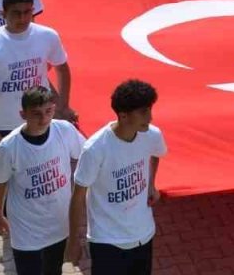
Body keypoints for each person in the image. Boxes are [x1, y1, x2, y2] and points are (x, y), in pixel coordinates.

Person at [68, 80, 166, 272]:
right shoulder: (95, 149)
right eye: (144, 112)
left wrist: (151, 185)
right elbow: (78, 197)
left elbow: (156, 153)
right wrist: (73, 241)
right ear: (123, 115)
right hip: (107, 242)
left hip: (143, 235)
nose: (151, 117)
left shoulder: (152, 135)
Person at [0, 86, 85, 275]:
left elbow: (86, 156)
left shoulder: (64, 131)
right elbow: (1, 182)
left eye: (48, 112)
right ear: (23, 114)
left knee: (53, 270)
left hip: (59, 222)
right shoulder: (9, 147)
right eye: (36, 114)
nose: (44, 119)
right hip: (26, 227)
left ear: (54, 109)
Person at [0, 0, 73, 156]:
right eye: (16, 13)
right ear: (3, 14)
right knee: (4, 176)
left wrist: (63, 105)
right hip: (3, 125)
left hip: (40, 120)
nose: (23, 18)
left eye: (27, 12)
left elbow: (62, 68)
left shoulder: (47, 36)